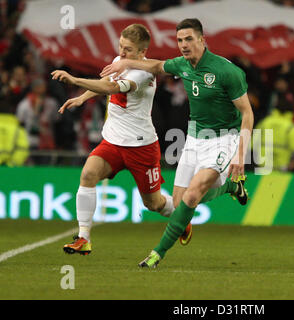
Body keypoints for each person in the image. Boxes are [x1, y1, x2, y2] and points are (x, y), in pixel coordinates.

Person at [100, 18, 254, 269]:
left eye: (189, 39)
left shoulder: (227, 72)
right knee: (179, 202)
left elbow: (247, 113)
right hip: (193, 138)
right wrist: (127, 62)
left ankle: (157, 253)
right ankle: (229, 188)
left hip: (223, 138)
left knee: (193, 195)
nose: (183, 44)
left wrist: (239, 155)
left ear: (202, 40)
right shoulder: (182, 64)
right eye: (180, 40)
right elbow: (158, 67)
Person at [51, 24, 190, 256]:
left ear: (141, 52)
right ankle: (83, 238)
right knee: (87, 174)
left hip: (141, 147)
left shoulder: (144, 73)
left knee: (153, 204)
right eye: (120, 47)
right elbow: (105, 81)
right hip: (113, 142)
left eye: (128, 49)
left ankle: (182, 217)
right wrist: (82, 98)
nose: (122, 53)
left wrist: (75, 81)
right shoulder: (120, 61)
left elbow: (111, 86)